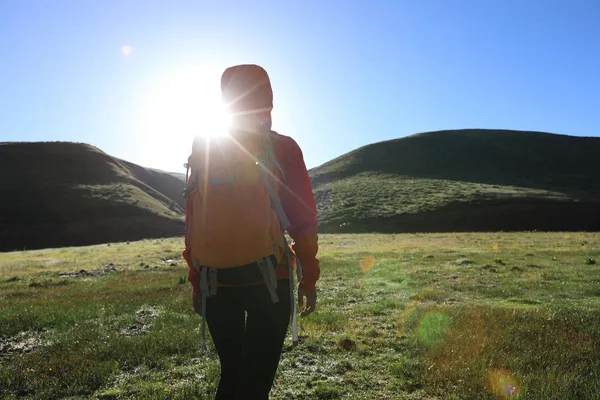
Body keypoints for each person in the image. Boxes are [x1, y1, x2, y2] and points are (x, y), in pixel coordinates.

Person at [182, 64, 320, 400]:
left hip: (216, 281)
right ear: (268, 101)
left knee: (231, 377)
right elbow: (303, 222)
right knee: (255, 386)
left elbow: (192, 221)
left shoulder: (205, 149)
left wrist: (197, 282)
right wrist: (309, 277)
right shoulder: (283, 148)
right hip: (270, 280)